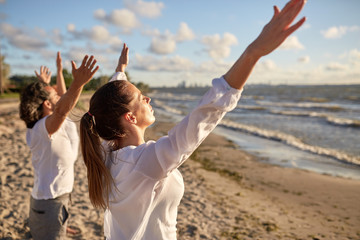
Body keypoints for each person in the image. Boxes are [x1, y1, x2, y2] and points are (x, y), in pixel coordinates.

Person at [80, 0, 306, 239]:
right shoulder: (145, 162)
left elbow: (107, 108)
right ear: (130, 117)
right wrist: (253, 53)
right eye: (140, 98)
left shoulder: (105, 153)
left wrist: (120, 72)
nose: (147, 98)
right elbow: (204, 114)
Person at [19, 52, 99, 239]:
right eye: (54, 94)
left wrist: (59, 71)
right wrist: (78, 83)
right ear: (47, 104)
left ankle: (61, 225)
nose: (59, 94)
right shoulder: (43, 128)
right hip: (49, 205)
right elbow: (64, 107)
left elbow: (64, 98)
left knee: (61, 218)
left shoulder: (50, 124)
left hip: (58, 198)